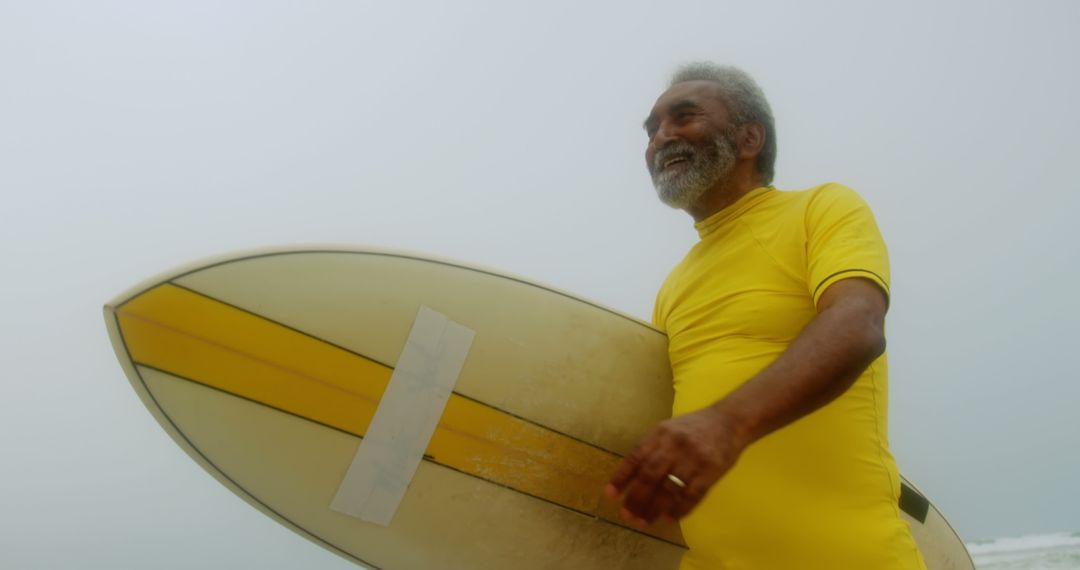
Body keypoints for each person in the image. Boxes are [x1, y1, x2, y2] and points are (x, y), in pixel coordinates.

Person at [604, 62, 927, 569]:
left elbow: (858, 324)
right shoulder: (674, 287)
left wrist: (725, 425)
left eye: (683, 117)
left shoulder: (821, 209)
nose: (660, 137)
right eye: (651, 129)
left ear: (750, 137)